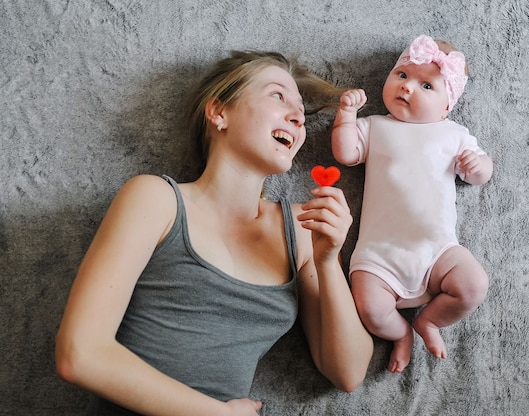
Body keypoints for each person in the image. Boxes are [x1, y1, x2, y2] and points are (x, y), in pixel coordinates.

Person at [55, 50, 373, 415]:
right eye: (277, 95)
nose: (298, 117)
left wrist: (328, 260)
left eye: (300, 110)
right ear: (219, 112)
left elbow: (348, 373)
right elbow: (79, 354)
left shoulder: (301, 229)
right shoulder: (156, 200)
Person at [332, 35, 492, 373]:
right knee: (370, 308)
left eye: (426, 86)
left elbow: (480, 172)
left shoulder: (454, 134)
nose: (407, 88)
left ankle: (429, 322)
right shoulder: (376, 126)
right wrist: (346, 116)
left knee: (473, 284)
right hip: (379, 254)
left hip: (437, 250)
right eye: (402, 75)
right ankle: (400, 331)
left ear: (448, 105)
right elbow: (346, 154)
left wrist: (478, 168)